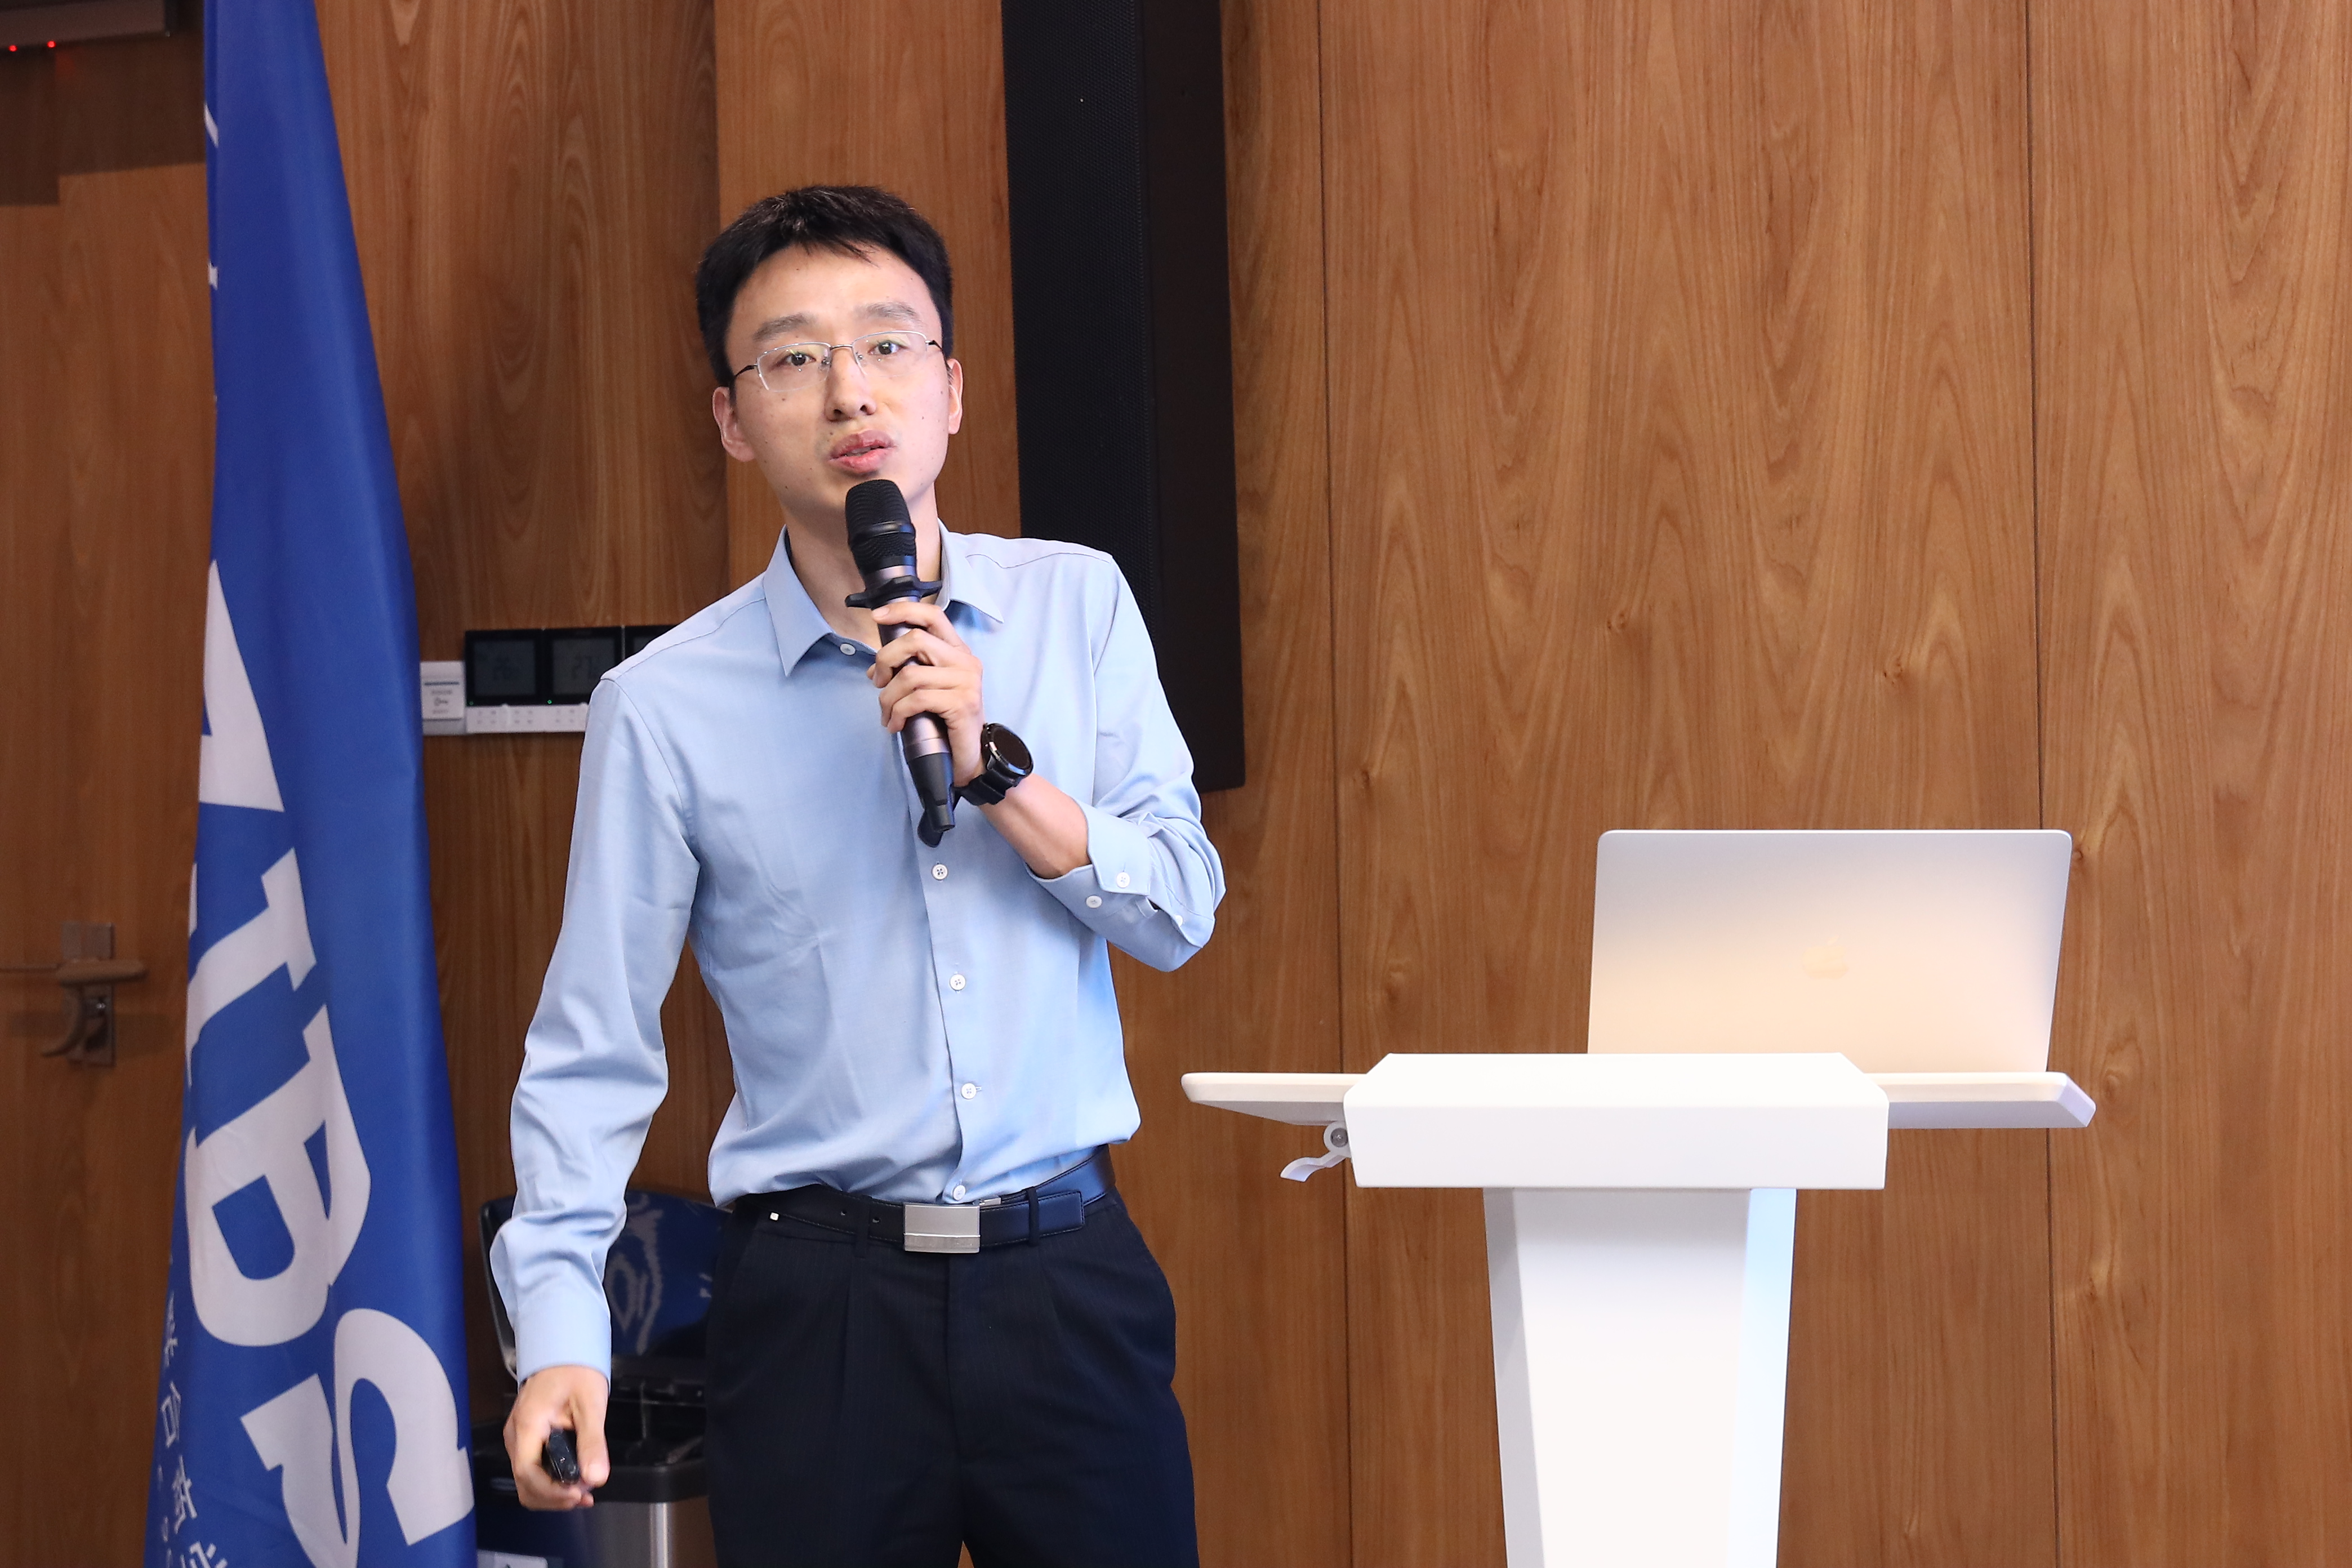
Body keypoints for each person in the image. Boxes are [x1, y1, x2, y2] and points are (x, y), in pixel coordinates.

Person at [491, 185, 1222, 1567]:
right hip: (818, 1309)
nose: (849, 390)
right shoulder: (665, 706)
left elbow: (1180, 908)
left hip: (1065, 1282)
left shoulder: (1077, 604)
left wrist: (998, 771)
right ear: (732, 419)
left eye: (888, 344)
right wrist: (563, 1332)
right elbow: (592, 1047)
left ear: (951, 389)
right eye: (793, 357)